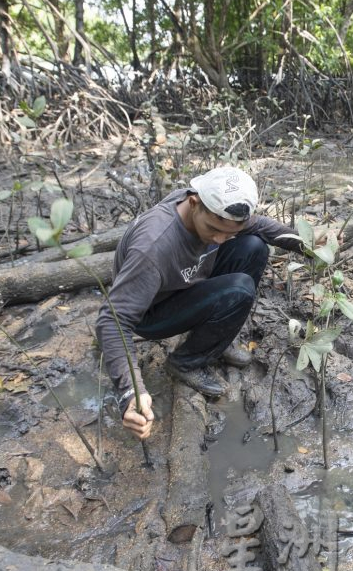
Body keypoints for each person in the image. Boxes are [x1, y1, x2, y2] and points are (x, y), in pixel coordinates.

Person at [95, 166, 303, 440]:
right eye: (214, 230)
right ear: (194, 203)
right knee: (240, 289)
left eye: (227, 233)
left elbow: (260, 226)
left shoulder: (214, 212)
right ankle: (186, 362)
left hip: (184, 281)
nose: (219, 239)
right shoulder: (153, 247)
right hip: (154, 311)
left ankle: (214, 338)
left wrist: (306, 244)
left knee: (254, 246)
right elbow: (113, 319)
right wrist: (130, 392)